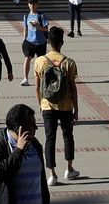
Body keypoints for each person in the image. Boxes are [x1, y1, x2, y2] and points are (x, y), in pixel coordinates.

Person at [31, 25, 82, 185]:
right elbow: (73, 87)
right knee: (68, 136)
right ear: (62, 42)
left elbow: (37, 86)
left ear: (48, 41)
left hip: (47, 105)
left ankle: (52, 174)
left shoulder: (40, 61)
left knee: (49, 138)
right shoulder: (69, 63)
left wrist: (40, 103)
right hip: (66, 106)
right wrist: (75, 108)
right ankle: (69, 168)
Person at [0, 103, 51, 204]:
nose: (36, 128)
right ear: (19, 129)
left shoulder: (35, 144)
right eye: (32, 125)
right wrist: (18, 151)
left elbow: (41, 182)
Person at [18, 0, 49, 85]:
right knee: (27, 59)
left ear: (37, 5)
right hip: (29, 42)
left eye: (34, 4)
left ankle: (42, 78)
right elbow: (25, 28)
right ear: (28, 5)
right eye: (30, 4)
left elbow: (46, 29)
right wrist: (24, 40)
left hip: (41, 42)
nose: (32, 5)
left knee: (41, 61)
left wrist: (38, 27)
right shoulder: (26, 16)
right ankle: (25, 79)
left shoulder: (41, 16)